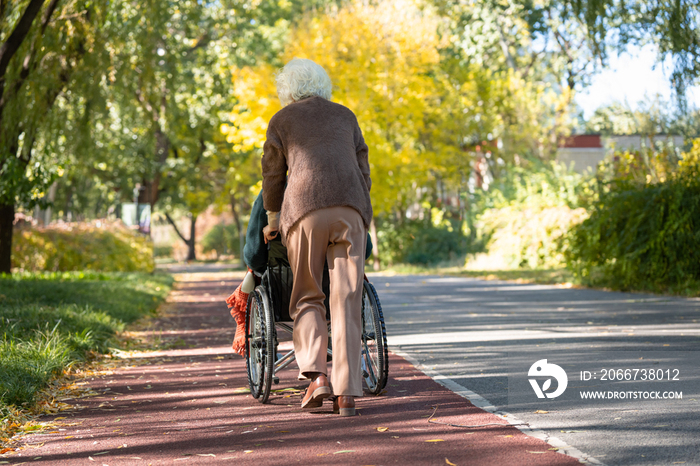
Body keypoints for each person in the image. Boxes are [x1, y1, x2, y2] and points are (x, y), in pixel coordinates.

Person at [261, 58, 372, 417]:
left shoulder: (282, 120)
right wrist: (361, 212)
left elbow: (273, 176)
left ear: (288, 89)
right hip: (349, 210)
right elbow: (363, 170)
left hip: (305, 211)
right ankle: (348, 393)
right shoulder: (346, 116)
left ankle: (317, 378)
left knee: (308, 295)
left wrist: (273, 219)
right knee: (348, 301)